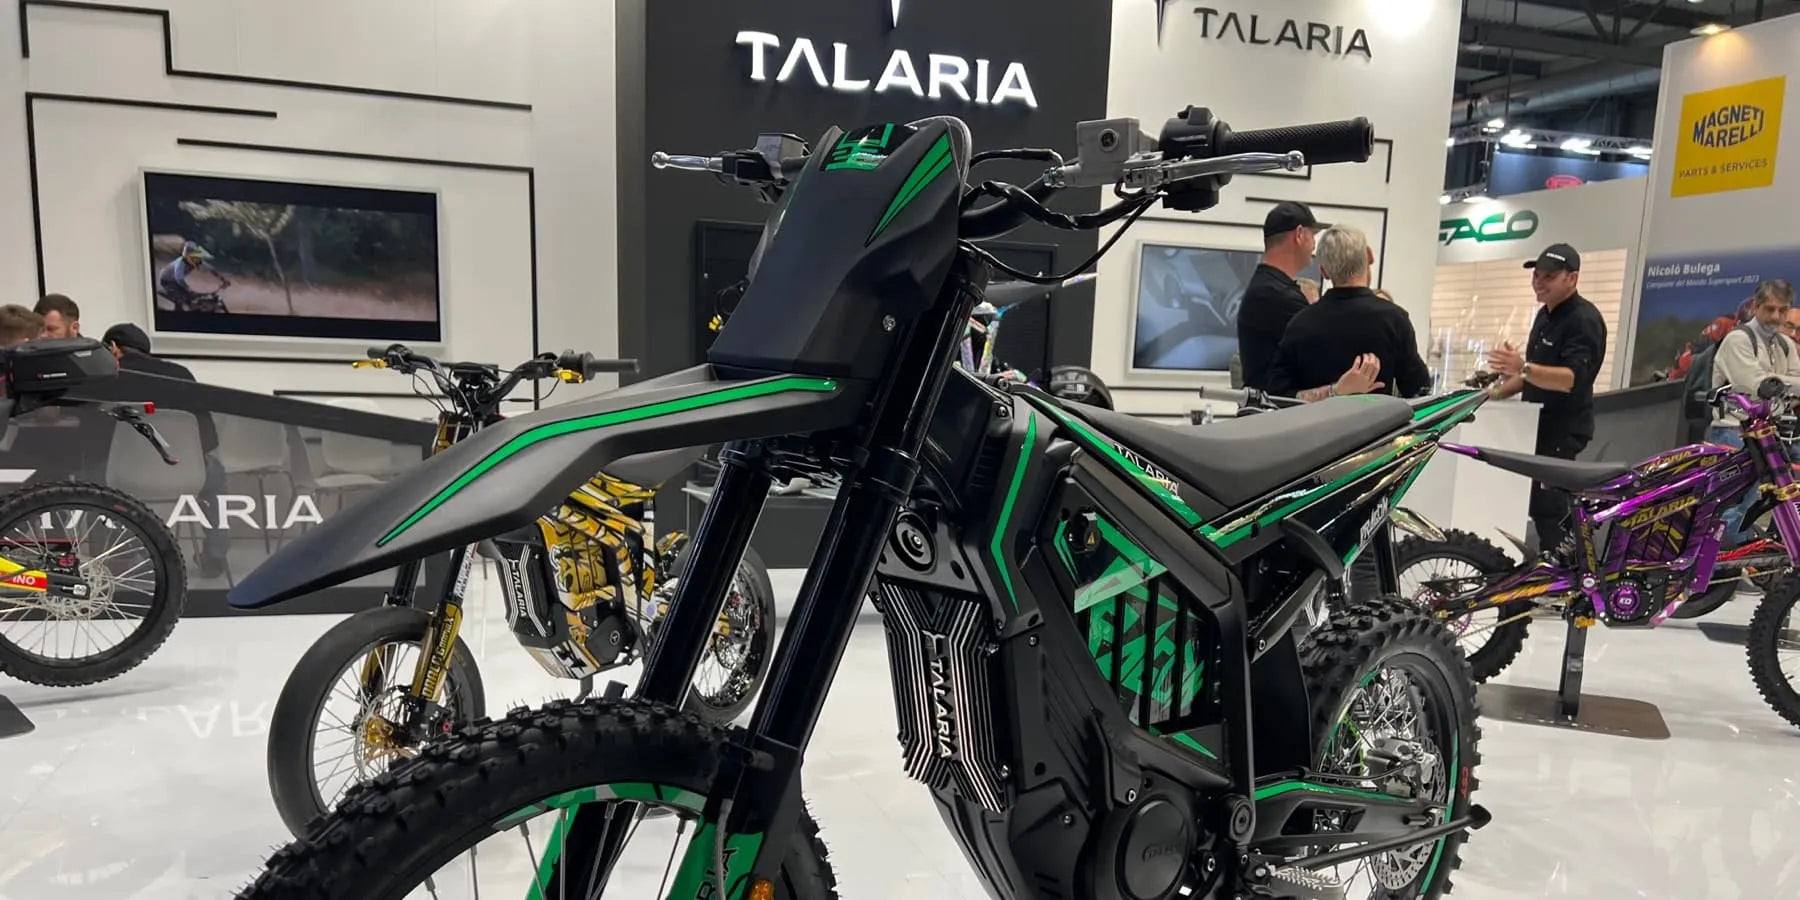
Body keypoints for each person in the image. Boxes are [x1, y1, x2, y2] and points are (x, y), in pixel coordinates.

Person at [1485, 243, 1608, 557]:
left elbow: (1571, 379)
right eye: (1536, 275)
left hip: (1562, 430)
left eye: (1549, 276)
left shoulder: (1584, 320)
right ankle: (1550, 567)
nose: (1539, 282)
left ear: (1572, 278)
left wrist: (1522, 367)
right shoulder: (1544, 316)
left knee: (1551, 509)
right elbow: (1529, 375)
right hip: (1534, 428)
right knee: (1537, 506)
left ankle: (1569, 572)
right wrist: (1491, 395)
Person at [1267, 225, 1432, 402]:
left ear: (1324, 271)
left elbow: (1277, 397)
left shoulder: (1299, 324)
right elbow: (1420, 393)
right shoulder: (1395, 320)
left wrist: (1334, 391)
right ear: (1369, 255)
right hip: (1378, 420)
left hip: (1317, 420)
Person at [1707, 280, 1800, 545]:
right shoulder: (1738, 339)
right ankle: (1717, 563)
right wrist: (1777, 384)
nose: (1776, 316)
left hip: (1766, 434)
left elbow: (1787, 383)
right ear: (1756, 307)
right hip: (1733, 432)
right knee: (1732, 506)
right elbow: (1758, 384)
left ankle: (1739, 560)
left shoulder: (1784, 344)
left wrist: (1777, 383)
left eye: (1782, 310)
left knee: (1755, 504)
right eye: (1769, 309)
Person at [1236, 201, 1326, 391]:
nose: (1314, 245)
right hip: (1279, 408)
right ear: (1299, 234)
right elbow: (1321, 350)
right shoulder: (1278, 296)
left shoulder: (1269, 288)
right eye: (1312, 235)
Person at [157, 242, 227, 309]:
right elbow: (179, 278)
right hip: (167, 281)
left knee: (192, 297)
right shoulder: (180, 264)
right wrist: (187, 288)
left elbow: (210, 269)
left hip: (175, 280)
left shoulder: (194, 260)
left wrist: (222, 279)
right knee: (181, 299)